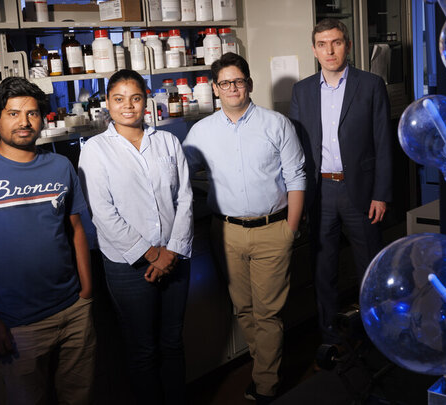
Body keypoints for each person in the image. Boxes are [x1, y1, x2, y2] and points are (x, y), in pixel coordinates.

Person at [0, 77, 95, 404]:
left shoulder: (60, 166)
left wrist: (86, 291)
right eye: (13, 113)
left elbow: (76, 229)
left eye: (31, 113)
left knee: (80, 397)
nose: (23, 122)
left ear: (43, 119)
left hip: (73, 310)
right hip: (17, 324)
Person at [183, 53, 306, 404]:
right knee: (244, 310)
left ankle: (265, 384)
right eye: (225, 83)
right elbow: (178, 173)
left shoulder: (276, 124)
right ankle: (264, 365)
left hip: (272, 230)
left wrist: (290, 230)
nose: (232, 88)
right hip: (226, 234)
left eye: (238, 81)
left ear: (249, 84)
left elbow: (297, 176)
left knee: (268, 313)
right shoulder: (200, 132)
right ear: (215, 89)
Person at [78, 69, 193, 405]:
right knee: (142, 350)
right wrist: (151, 254)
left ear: (146, 101)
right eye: (118, 99)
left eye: (135, 97)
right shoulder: (96, 149)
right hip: (128, 267)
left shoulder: (168, 141)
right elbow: (102, 213)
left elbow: (184, 198)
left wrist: (171, 251)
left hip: (175, 258)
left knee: (172, 342)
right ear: (108, 104)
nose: (127, 106)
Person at [290, 18, 393, 348]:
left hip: (360, 192)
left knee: (369, 268)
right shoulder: (302, 90)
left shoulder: (371, 84)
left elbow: (383, 143)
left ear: (347, 45)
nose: (329, 50)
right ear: (314, 50)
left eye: (335, 42)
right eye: (322, 44)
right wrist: (299, 198)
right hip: (320, 192)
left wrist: (381, 193)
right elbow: (297, 149)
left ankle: (374, 336)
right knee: (323, 270)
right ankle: (330, 339)